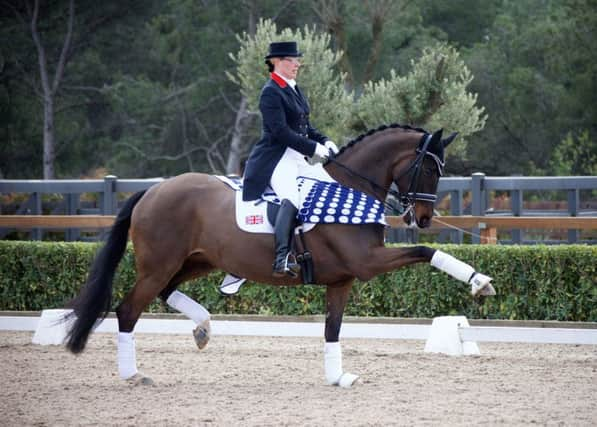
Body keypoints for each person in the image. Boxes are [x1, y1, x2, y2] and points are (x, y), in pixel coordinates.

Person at [242, 41, 339, 278]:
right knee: (291, 198)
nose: (297, 64)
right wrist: (313, 147)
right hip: (277, 158)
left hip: (298, 157)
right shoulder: (270, 92)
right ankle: (281, 258)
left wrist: (324, 140)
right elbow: (281, 132)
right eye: (291, 60)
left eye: (297, 60)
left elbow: (305, 126)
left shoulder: (293, 88)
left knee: (333, 189)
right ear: (276, 62)